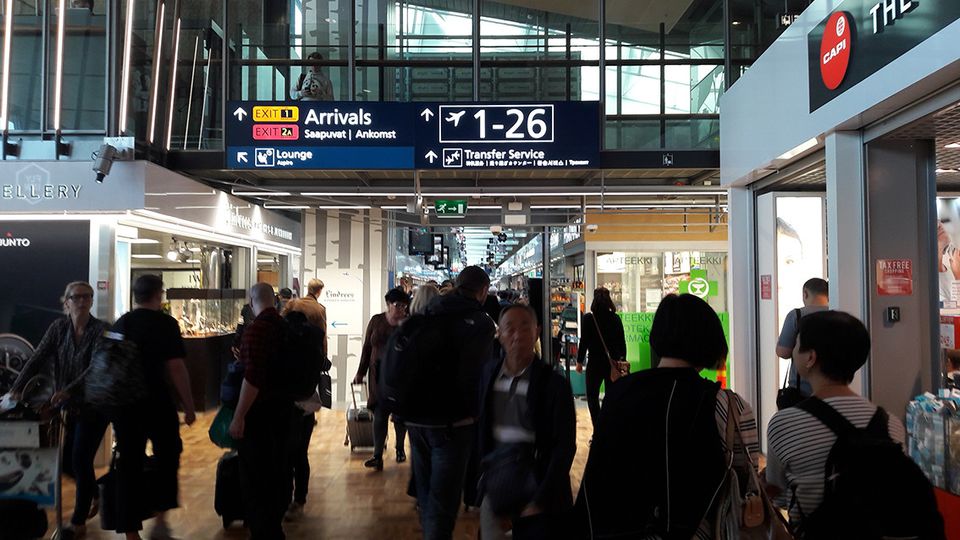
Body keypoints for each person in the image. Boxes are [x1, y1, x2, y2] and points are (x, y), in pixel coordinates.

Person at [574, 294, 759, 538]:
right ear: (710, 342)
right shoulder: (729, 406)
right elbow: (747, 482)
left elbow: (597, 476)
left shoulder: (620, 393)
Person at [765, 310, 912, 531]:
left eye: (797, 344)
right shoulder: (891, 424)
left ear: (810, 358)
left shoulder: (784, 423)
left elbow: (779, 494)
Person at [5, 282, 109, 539]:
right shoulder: (58, 328)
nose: (82, 301)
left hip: (96, 405)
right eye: (76, 297)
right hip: (68, 406)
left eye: (87, 297)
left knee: (81, 458)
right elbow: (38, 356)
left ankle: (78, 521)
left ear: (92, 301)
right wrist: (15, 389)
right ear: (66, 302)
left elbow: (96, 367)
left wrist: (68, 390)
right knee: (66, 462)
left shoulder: (101, 330)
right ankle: (96, 492)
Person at [406, 266, 496, 540]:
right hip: (452, 422)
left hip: (416, 417)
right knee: (443, 503)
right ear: (482, 291)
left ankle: (428, 526)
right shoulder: (480, 322)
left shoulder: (428, 311)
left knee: (426, 493)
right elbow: (480, 373)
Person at [477, 304, 576, 539]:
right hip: (497, 483)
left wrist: (541, 499)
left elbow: (564, 446)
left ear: (537, 332)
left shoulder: (554, 385)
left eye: (525, 327)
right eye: (509, 328)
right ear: (498, 334)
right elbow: (481, 430)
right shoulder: (488, 375)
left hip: (540, 486)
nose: (517, 335)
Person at [111, 275, 196, 540]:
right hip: (157, 403)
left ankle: (130, 532)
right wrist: (189, 405)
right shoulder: (165, 324)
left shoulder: (121, 323)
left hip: (125, 407)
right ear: (158, 294)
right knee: (168, 458)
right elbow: (176, 367)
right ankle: (160, 519)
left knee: (129, 465)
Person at [229, 283, 300, 540]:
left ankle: (264, 529)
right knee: (279, 468)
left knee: (256, 476)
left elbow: (253, 378)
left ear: (251, 301)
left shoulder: (257, 330)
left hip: (260, 416)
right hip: (284, 411)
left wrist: (238, 416)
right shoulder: (285, 327)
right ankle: (275, 523)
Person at [281, 284, 326, 522]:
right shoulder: (314, 337)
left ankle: (286, 498)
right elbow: (321, 363)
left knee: (285, 453)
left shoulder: (280, 339)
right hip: (305, 401)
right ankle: (299, 498)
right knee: (301, 453)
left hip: (282, 402)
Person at [353, 288, 411, 470]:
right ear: (388, 304)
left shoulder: (408, 324)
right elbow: (367, 348)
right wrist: (360, 372)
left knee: (400, 416)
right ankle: (377, 454)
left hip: (400, 376)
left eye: (404, 305)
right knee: (379, 415)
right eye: (397, 305)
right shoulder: (377, 321)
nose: (401, 309)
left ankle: (400, 448)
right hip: (377, 375)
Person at [575, 287, 627, 428]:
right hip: (613, 364)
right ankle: (608, 427)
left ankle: (598, 428)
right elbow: (622, 343)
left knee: (592, 396)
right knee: (611, 396)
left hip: (595, 363)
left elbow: (584, 341)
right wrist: (622, 360)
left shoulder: (589, 318)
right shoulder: (615, 319)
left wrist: (579, 361)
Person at [775, 277, 829, 398]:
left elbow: (783, 352)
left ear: (805, 293)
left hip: (801, 390)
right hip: (830, 390)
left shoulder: (796, 315)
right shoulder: (837, 314)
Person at [283, 279, 327, 356]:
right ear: (319, 291)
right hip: (310, 353)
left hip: (290, 350)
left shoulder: (292, 303)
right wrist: (324, 355)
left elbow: (281, 323)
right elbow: (322, 335)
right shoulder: (320, 309)